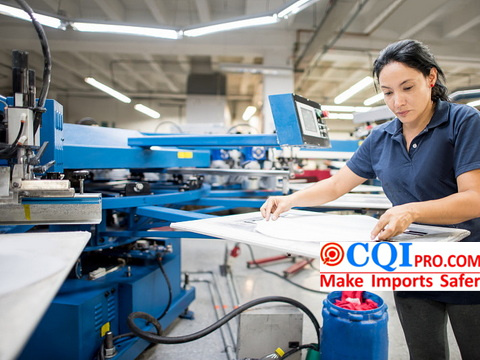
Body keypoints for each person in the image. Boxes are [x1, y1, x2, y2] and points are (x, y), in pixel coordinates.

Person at [260, 39, 480, 360]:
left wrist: (411, 211)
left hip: (465, 264)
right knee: (425, 353)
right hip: (412, 265)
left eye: (408, 87)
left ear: (431, 79)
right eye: (388, 92)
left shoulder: (463, 122)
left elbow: (474, 199)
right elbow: (337, 185)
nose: (398, 101)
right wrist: (289, 200)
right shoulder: (381, 137)